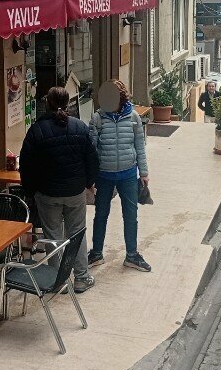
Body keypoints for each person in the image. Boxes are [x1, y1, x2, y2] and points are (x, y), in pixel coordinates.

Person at [19, 86, 99, 293]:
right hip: (75, 192)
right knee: (77, 234)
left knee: (53, 236)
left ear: (47, 103)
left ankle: (58, 281)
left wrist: (30, 191)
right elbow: (92, 158)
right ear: (68, 103)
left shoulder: (36, 130)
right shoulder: (79, 127)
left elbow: (26, 165)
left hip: (47, 194)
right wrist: (89, 183)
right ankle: (81, 277)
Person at [87, 80, 151, 272]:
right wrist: (90, 177)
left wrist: (144, 172)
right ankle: (96, 253)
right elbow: (91, 149)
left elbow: (140, 146)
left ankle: (132, 255)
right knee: (101, 214)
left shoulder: (133, 117)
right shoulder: (97, 118)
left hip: (128, 174)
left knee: (131, 215)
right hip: (104, 175)